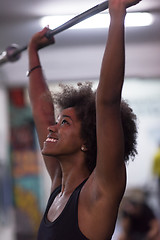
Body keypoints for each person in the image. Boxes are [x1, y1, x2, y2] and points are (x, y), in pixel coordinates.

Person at [27, 0, 140, 238]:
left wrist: (117, 14)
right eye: (58, 121)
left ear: (86, 141)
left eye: (64, 122)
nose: (51, 127)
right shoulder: (59, 188)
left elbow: (107, 103)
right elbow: (41, 111)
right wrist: (33, 54)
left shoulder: (99, 191)